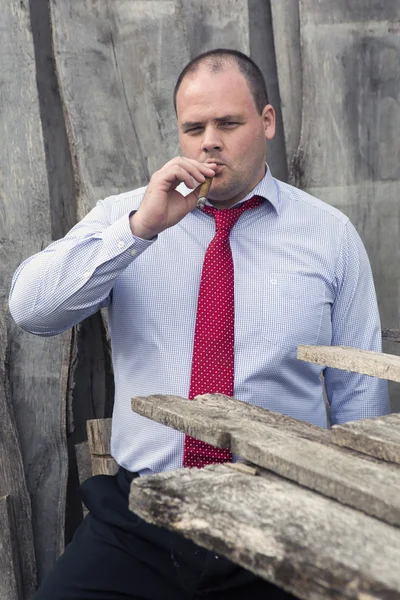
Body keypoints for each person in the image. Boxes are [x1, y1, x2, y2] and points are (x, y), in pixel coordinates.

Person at [9, 48, 389, 599]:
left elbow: (358, 394)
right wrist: (141, 229)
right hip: (143, 517)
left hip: (279, 513)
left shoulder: (329, 236)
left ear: (267, 122)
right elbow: (32, 311)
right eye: (194, 127)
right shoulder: (130, 215)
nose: (209, 140)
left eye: (228, 123)